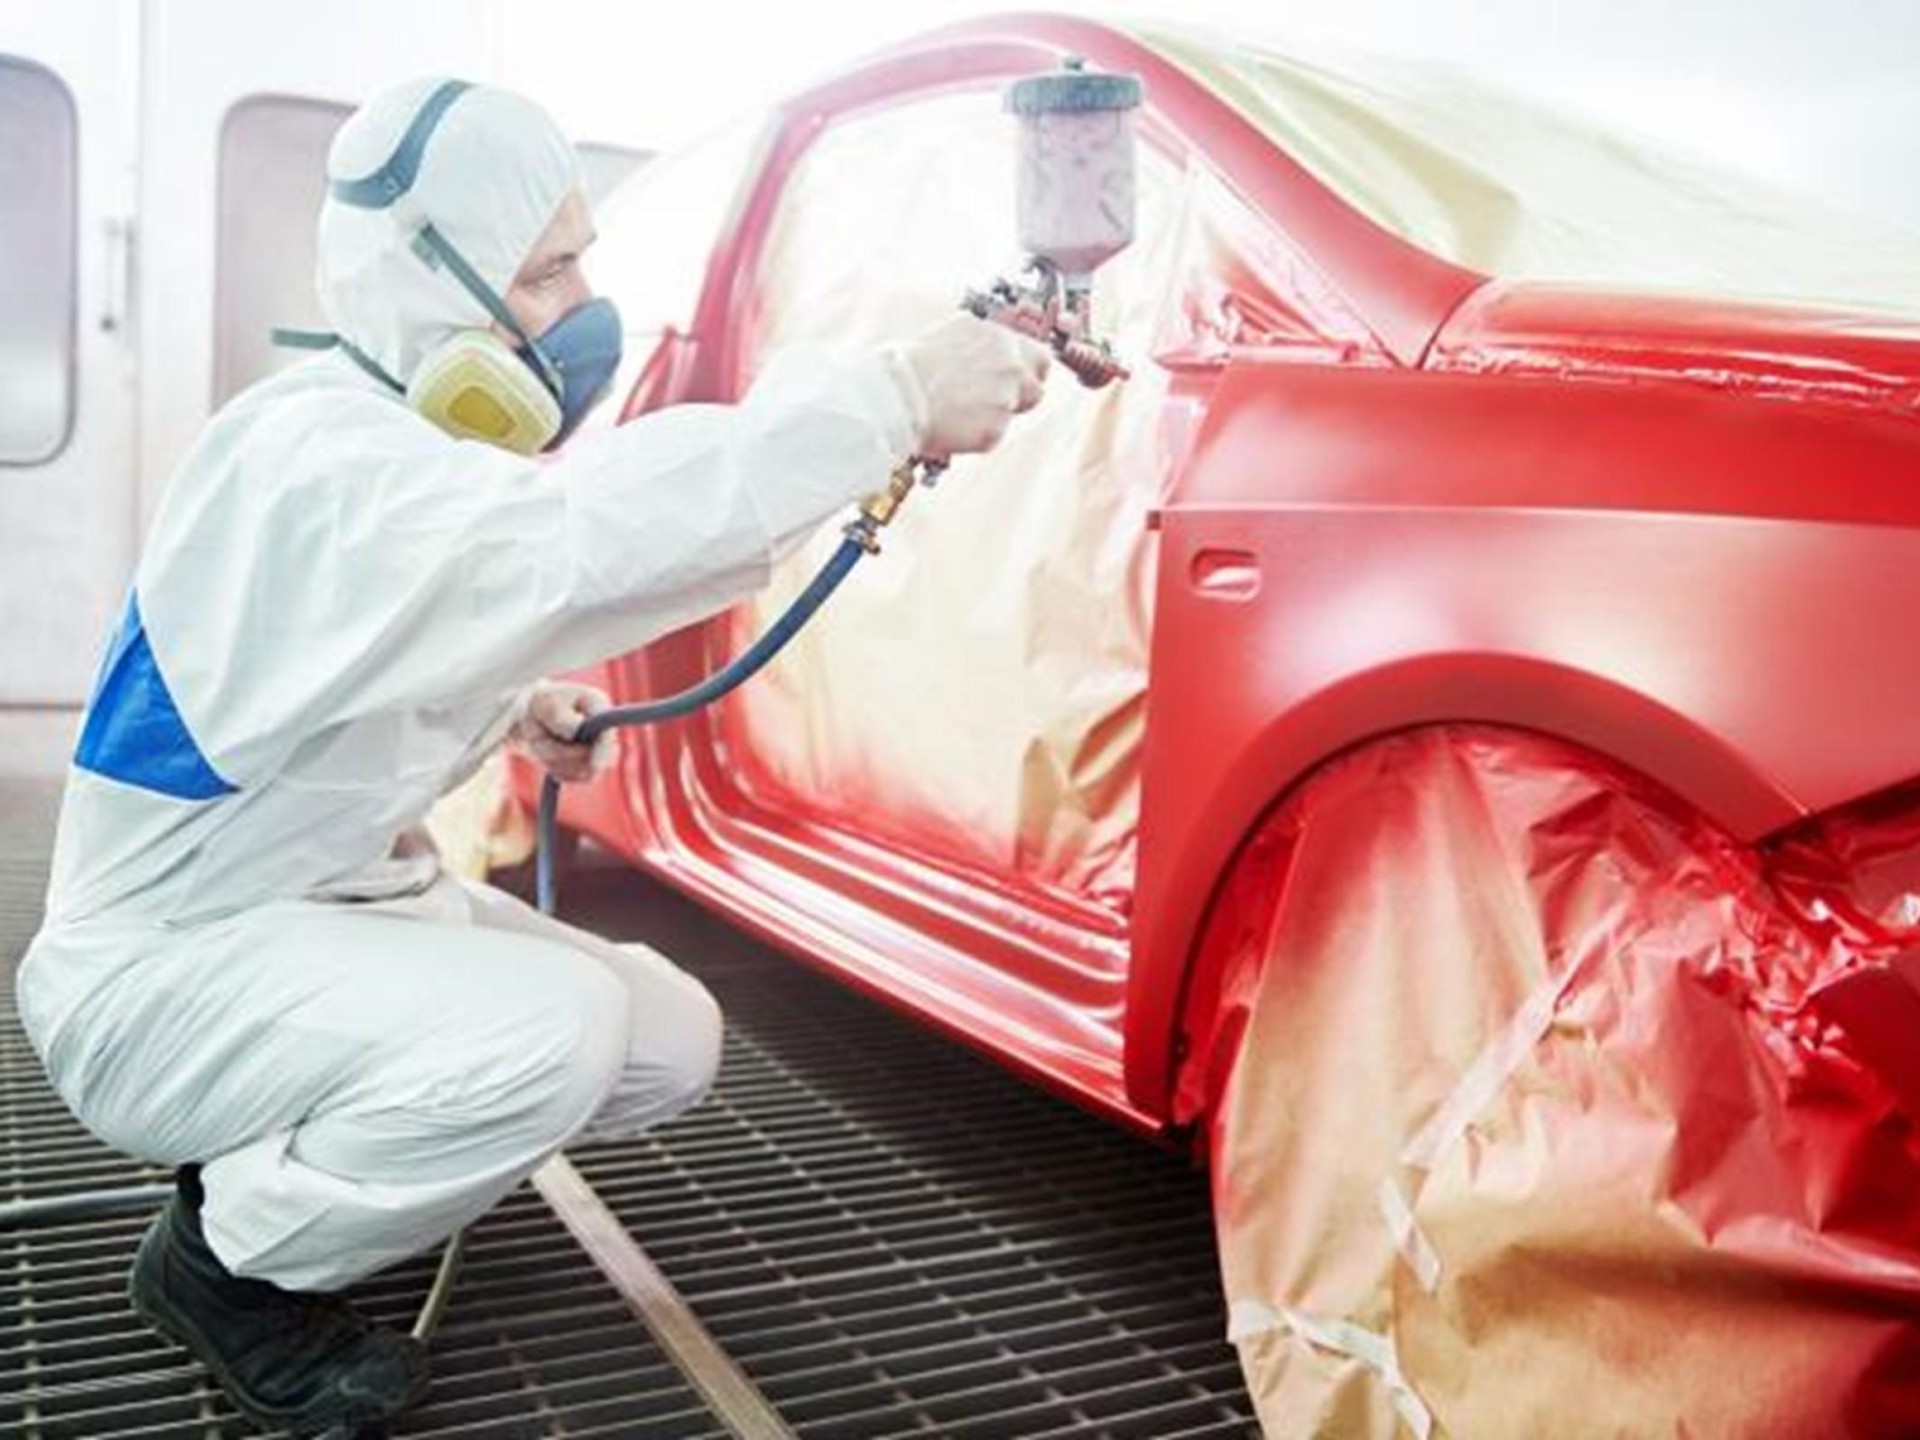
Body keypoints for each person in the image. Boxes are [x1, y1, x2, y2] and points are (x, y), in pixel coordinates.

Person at [15, 76, 1047, 1437]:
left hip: (309, 917)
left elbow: (359, 662)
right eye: (546, 270)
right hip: (165, 974)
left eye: (579, 259)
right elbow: (580, 547)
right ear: (423, 281)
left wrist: (512, 710)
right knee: (551, 1036)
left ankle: (313, 1155)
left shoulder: (387, 445)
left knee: (665, 1039)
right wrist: (895, 400)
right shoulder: (313, 461)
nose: (582, 307)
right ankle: (225, 1266)